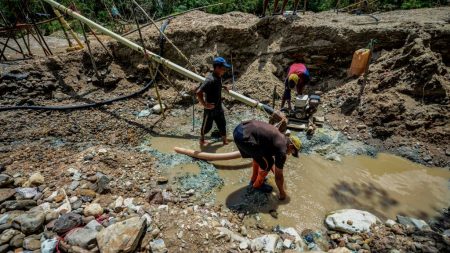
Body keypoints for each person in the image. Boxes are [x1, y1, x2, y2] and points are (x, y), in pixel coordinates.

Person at [233, 120, 301, 200]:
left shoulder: (280, 138)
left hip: (240, 129)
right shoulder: (282, 150)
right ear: (290, 145)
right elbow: (279, 176)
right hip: (244, 138)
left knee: (261, 157)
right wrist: (282, 193)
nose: (289, 154)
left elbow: (269, 159)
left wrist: (276, 171)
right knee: (268, 163)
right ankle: (257, 185)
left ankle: (253, 179)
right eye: (292, 152)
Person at [196, 57, 231, 146]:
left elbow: (217, 86)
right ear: (217, 68)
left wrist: (223, 87)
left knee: (222, 124)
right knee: (207, 127)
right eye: (223, 68)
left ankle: (224, 141)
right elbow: (199, 92)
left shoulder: (218, 77)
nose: (225, 70)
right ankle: (202, 140)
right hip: (210, 109)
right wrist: (205, 104)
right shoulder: (210, 79)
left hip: (218, 107)